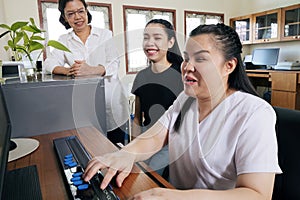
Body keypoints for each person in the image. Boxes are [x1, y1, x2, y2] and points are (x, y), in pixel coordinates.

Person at [83, 23, 282, 200]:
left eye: (201, 59)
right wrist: (126, 154)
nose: (187, 67)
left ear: (228, 66)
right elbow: (155, 137)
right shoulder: (186, 99)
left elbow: (258, 194)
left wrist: (176, 197)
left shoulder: (255, 113)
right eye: (186, 58)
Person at [43, 0, 129, 145]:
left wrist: (92, 70)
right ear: (64, 17)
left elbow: (114, 63)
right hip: (85, 108)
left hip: (112, 104)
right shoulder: (64, 40)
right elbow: (48, 63)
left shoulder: (105, 35)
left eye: (80, 11)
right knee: (92, 149)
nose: (77, 17)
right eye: (70, 14)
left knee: (116, 149)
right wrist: (69, 70)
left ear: (86, 11)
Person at [131, 19, 183, 177]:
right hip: (147, 137)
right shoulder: (141, 76)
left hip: (172, 141)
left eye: (157, 38)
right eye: (146, 37)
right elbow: (137, 119)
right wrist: (133, 147)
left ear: (170, 42)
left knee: (146, 176)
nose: (149, 43)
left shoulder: (182, 75)